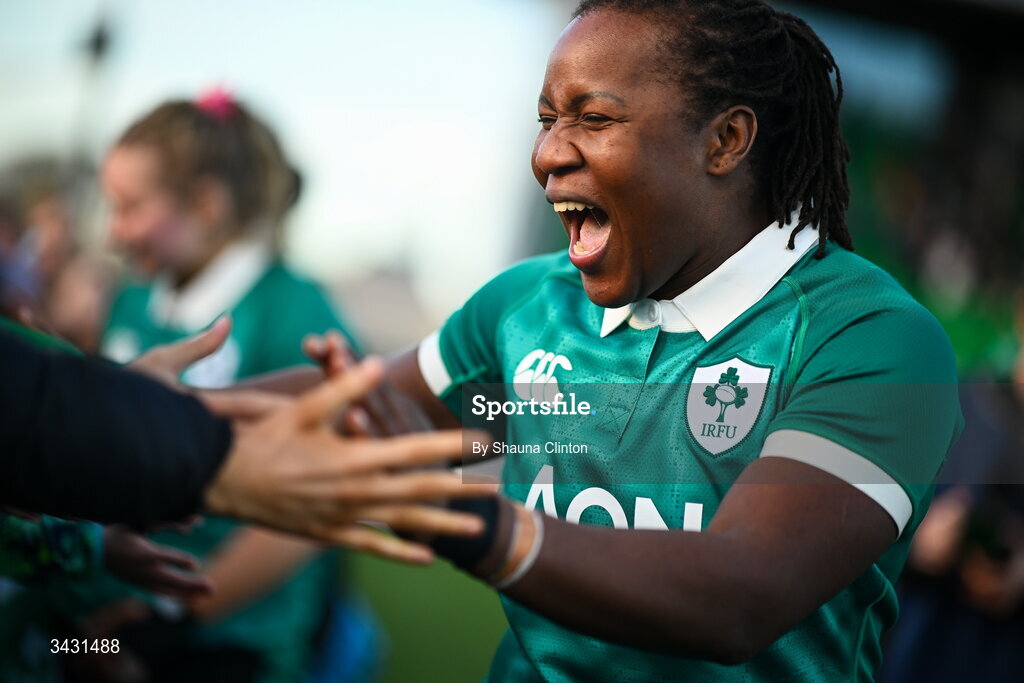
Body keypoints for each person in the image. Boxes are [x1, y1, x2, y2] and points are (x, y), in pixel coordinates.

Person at [291, 1, 964, 680]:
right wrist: (185, 427)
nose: (548, 152)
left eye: (594, 117)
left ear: (725, 140)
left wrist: (479, 524)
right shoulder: (527, 307)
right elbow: (349, 411)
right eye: (547, 119)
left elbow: (740, 598)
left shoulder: (873, 338)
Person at [70, 89, 368, 683]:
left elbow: (320, 506)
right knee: (57, 653)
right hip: (94, 615)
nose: (114, 232)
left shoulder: (296, 312)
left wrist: (168, 616)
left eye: (129, 207)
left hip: (221, 645)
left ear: (205, 204)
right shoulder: (130, 300)